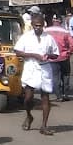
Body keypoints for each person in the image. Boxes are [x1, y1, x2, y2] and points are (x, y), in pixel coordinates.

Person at [12, 7, 58, 135]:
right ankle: (29, 115)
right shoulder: (26, 37)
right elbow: (17, 52)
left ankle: (44, 126)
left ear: (44, 25)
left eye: (40, 26)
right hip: (31, 68)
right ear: (32, 25)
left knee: (45, 98)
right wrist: (34, 55)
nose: (38, 28)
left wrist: (49, 55)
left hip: (45, 69)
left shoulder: (49, 38)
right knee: (28, 98)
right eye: (36, 25)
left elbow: (56, 54)